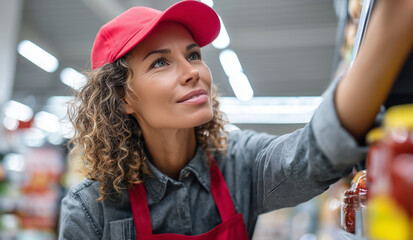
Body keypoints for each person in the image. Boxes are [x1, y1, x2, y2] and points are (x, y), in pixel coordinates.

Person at [58, 0, 413, 239]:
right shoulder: (91, 208)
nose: (192, 72)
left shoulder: (240, 164)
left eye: (193, 54)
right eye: (160, 62)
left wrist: (392, 30)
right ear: (122, 98)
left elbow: (314, 154)